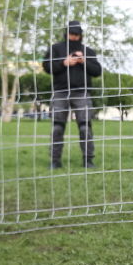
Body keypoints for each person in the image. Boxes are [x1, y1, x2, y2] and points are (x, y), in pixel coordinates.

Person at [42, 20, 101, 169]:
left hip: (81, 93)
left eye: (77, 34)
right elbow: (47, 67)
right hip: (60, 92)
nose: (74, 36)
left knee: (85, 128)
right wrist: (64, 63)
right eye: (71, 33)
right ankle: (55, 161)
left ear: (81, 34)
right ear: (66, 33)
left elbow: (97, 71)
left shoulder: (88, 51)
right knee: (57, 128)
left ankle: (88, 160)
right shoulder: (55, 49)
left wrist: (84, 61)